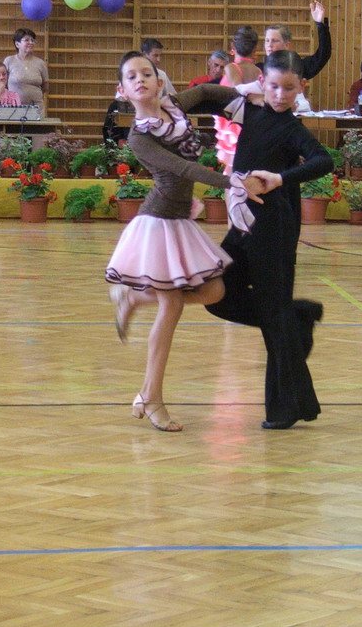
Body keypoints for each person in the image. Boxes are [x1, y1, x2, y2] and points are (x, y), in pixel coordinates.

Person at [105, 51, 264, 433]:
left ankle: (134, 298)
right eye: (132, 76)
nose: (141, 79)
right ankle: (152, 397)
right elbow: (183, 168)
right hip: (157, 223)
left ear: (159, 82)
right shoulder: (139, 137)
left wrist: (248, 96)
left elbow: (208, 91)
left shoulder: (174, 106)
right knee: (172, 304)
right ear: (123, 91)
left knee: (213, 291)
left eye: (147, 73)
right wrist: (233, 182)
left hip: (178, 219)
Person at [206, 50, 333, 430]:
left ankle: (284, 410)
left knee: (273, 315)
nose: (280, 95)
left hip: (274, 225)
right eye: (274, 86)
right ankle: (297, 316)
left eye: (289, 88)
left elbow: (323, 160)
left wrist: (281, 178)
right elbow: (208, 96)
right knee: (214, 292)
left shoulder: (292, 128)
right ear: (263, 82)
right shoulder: (250, 110)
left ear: (301, 87)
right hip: (242, 223)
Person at [257, 1, 332, 81]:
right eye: (267, 41)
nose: (269, 45)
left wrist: (320, 24)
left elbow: (323, 55)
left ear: (287, 45)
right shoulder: (258, 70)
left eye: (274, 41)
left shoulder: (296, 68)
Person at [3, 28, 49, 116]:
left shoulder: (41, 63)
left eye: (33, 40)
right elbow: (3, 84)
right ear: (17, 44)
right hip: (14, 108)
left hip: (36, 108)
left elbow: (45, 87)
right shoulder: (9, 61)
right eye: (27, 40)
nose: (31, 43)